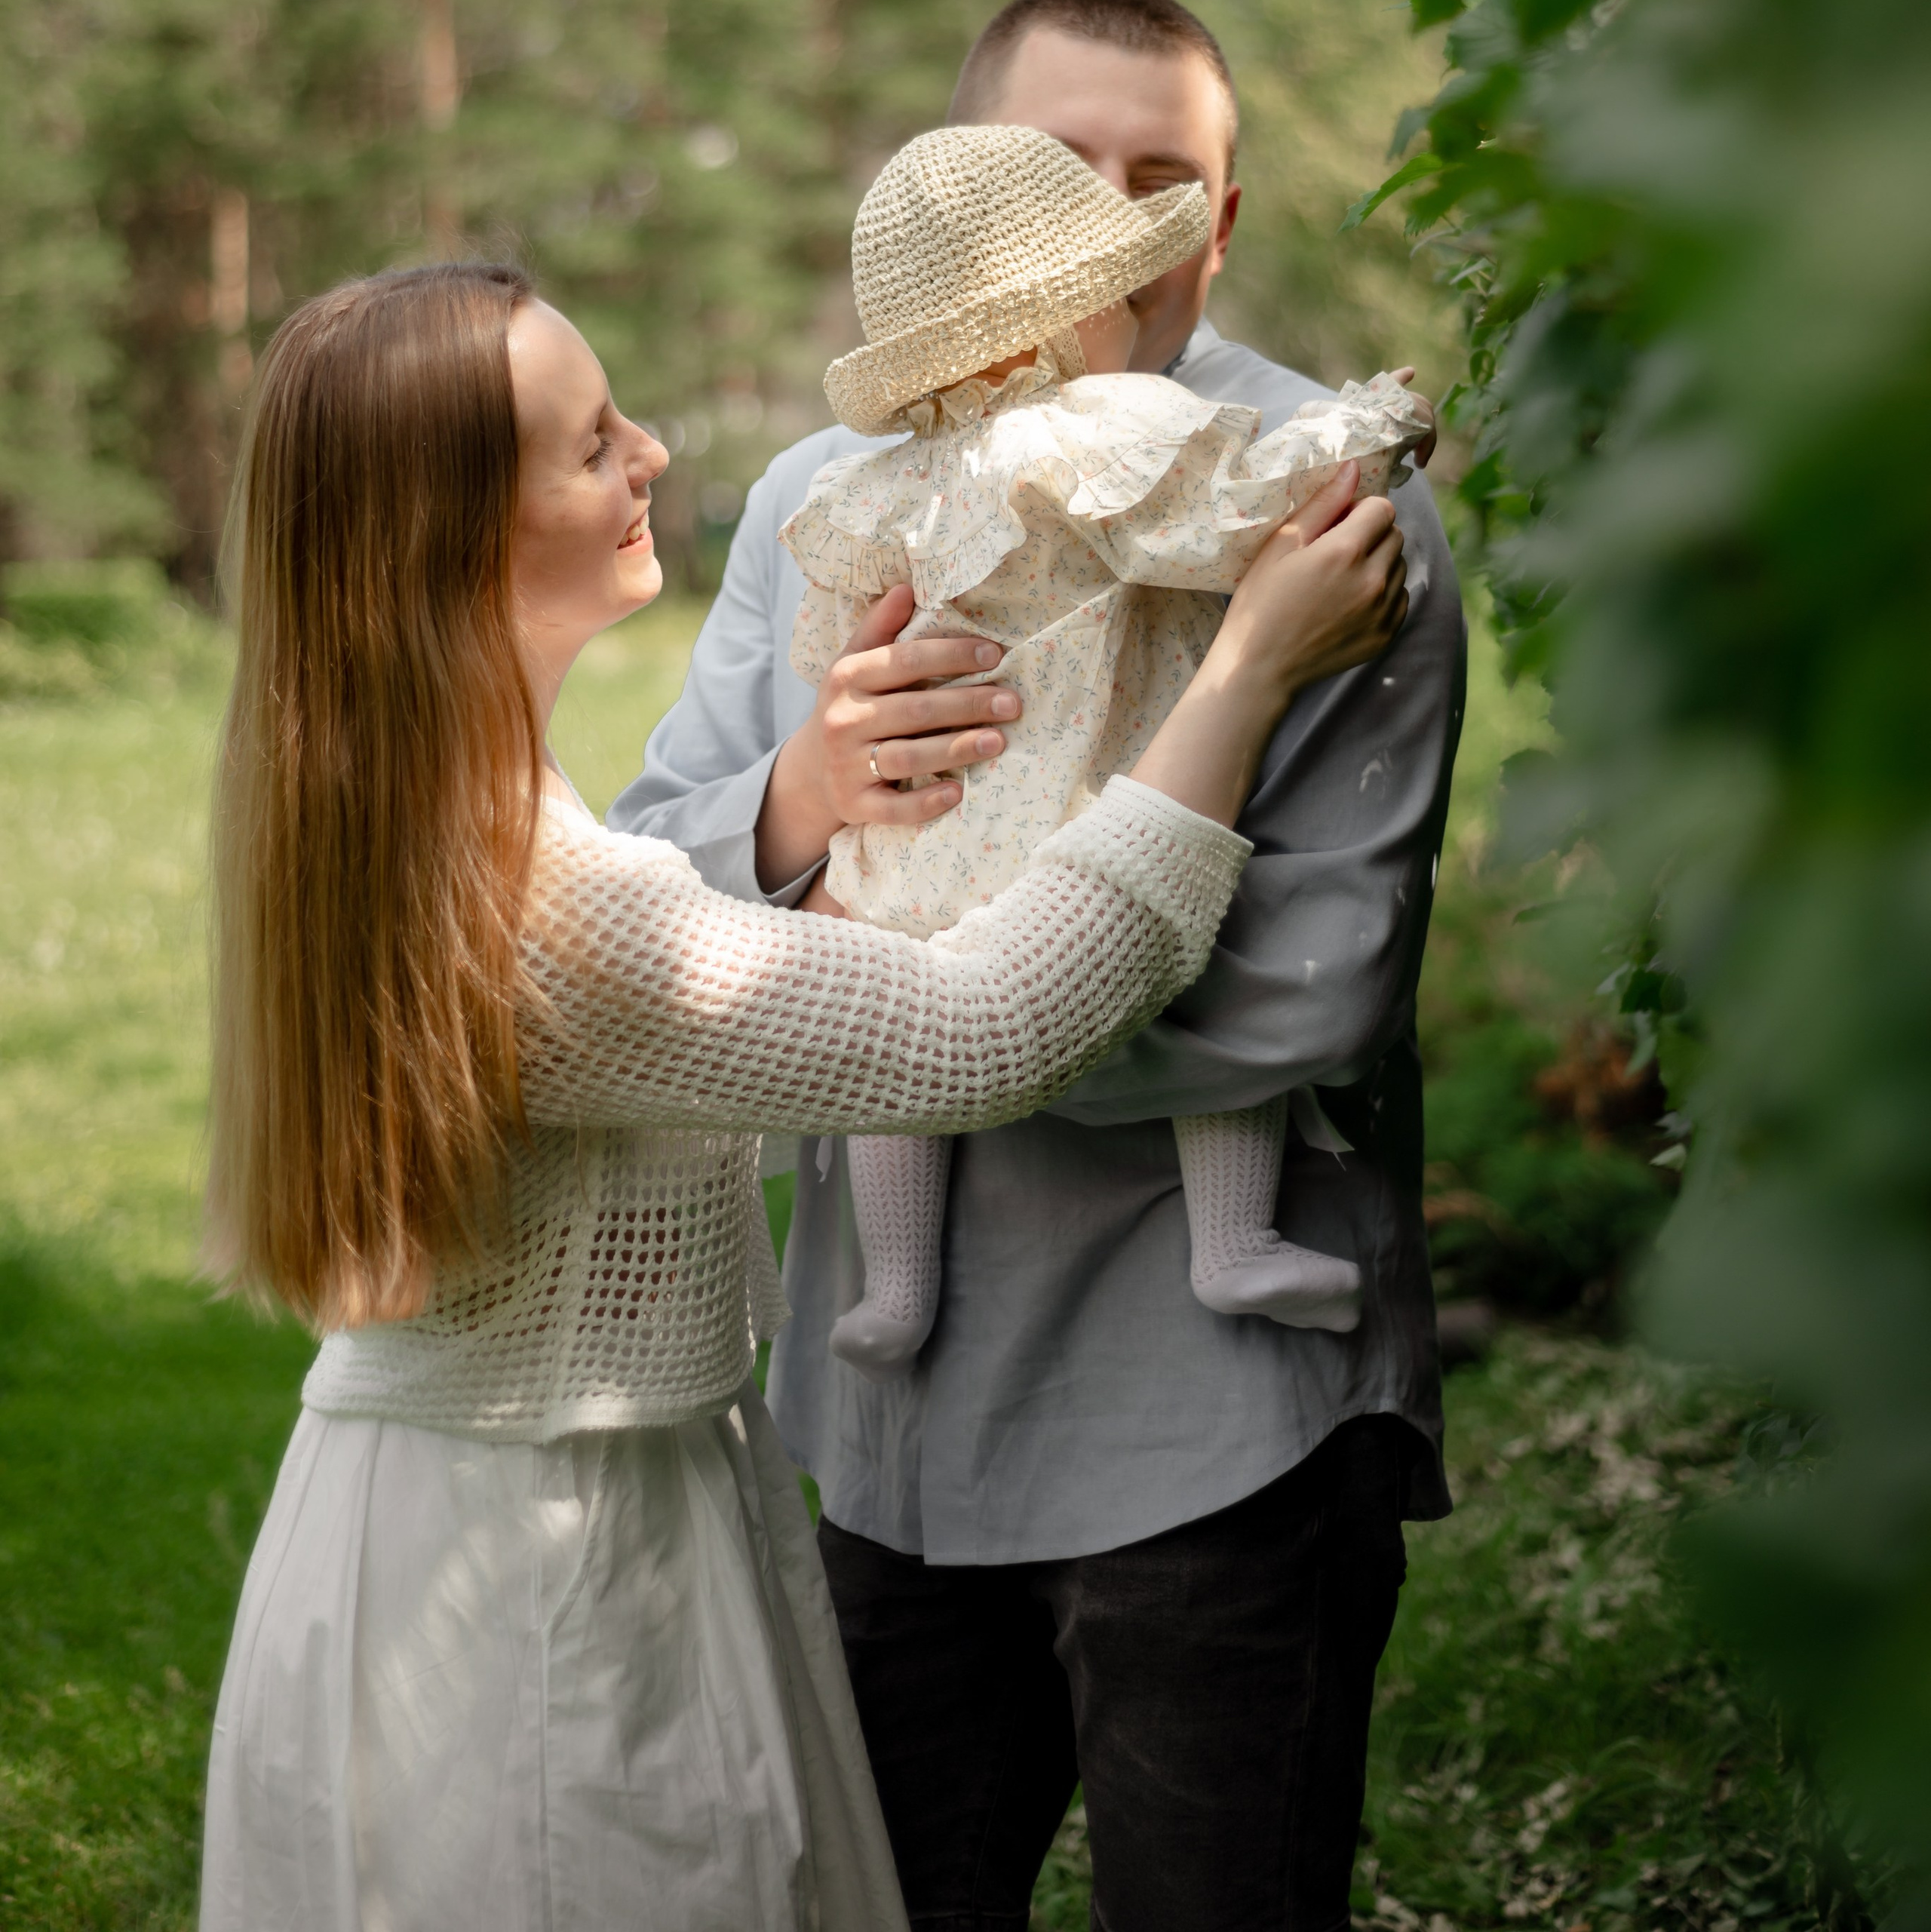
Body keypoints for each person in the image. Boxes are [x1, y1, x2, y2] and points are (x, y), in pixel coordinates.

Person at [196, 254, 1410, 1932]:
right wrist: (1239, 676)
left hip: (425, 1533)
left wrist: (816, 803)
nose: (652, 457)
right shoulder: (540, 897)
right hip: (552, 1601)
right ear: (449, 532)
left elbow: (700, 1018)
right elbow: (983, 1031)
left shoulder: (408, 812)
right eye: (588, 441)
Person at [610, 0, 1466, 1932]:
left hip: (1217, 1413)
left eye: (1166, 178)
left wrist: (886, 1008)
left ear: (1223, 222)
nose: (1113, 218)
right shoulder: (834, 503)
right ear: (963, 177)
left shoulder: (1321, 514)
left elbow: (1312, 991)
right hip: (882, 1427)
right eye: (1064, 164)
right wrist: (810, 801)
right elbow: (657, 879)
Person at [778, 121, 1437, 1373]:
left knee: (894, 1011)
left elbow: (833, 639)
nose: (1137, 311)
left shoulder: (897, 475)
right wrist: (1375, 427)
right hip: (1097, 795)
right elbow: (1242, 505)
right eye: (1113, 293)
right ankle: (1233, 1242)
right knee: (1190, 949)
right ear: (1049, 332)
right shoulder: (1088, 431)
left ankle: (897, 1280)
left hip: (946, 811)